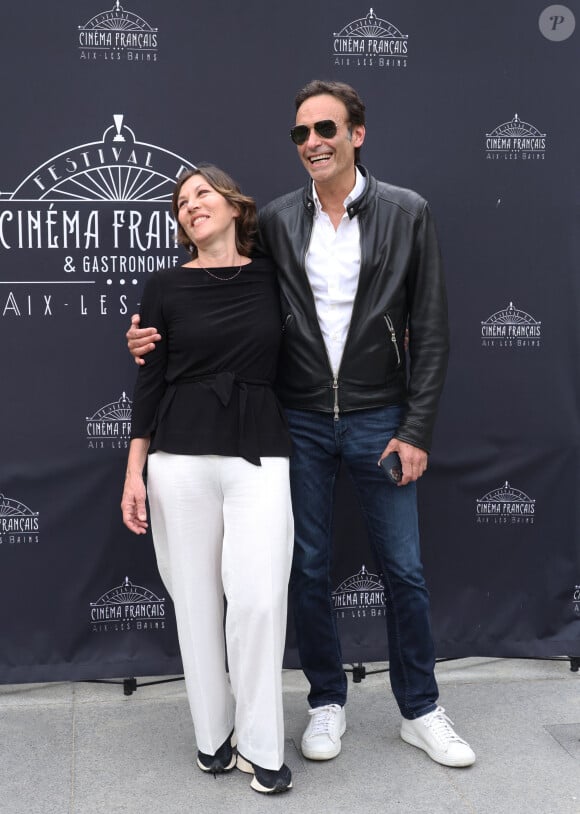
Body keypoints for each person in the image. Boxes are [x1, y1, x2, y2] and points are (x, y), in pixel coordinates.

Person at [127, 81, 476, 769]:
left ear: (357, 134)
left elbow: (430, 331)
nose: (313, 142)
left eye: (325, 129)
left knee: (403, 569)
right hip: (301, 418)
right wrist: (150, 338)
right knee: (309, 568)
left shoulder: (408, 213)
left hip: (381, 416)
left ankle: (421, 709)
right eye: (301, 134)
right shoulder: (282, 222)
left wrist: (418, 428)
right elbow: (213, 297)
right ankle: (325, 702)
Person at [121, 165, 294, 794]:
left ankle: (262, 744)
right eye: (180, 201)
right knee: (195, 604)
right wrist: (134, 470)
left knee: (258, 599)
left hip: (260, 452)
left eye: (203, 194)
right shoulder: (163, 286)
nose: (191, 205)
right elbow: (148, 380)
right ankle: (212, 738)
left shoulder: (275, 275)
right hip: (179, 457)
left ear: (233, 204)